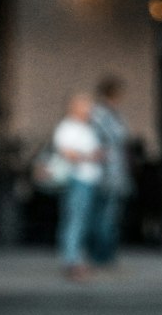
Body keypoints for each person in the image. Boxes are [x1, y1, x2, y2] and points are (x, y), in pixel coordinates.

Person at [52, 92, 103, 279]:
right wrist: (90, 156)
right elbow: (68, 154)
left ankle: (79, 258)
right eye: (86, 106)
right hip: (77, 180)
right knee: (74, 220)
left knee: (84, 222)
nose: (90, 110)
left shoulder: (88, 128)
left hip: (90, 180)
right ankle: (71, 260)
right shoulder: (67, 128)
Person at [89, 75, 131, 267]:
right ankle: (101, 256)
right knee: (102, 217)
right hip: (102, 174)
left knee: (110, 217)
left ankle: (106, 254)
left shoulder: (115, 115)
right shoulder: (99, 115)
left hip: (115, 174)